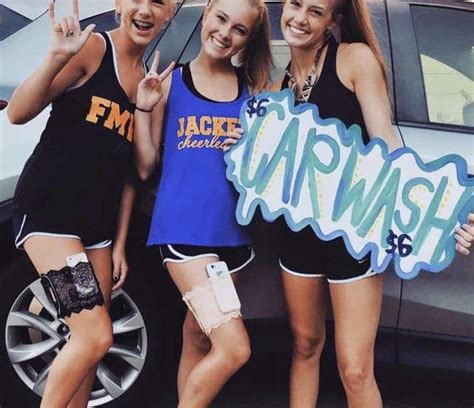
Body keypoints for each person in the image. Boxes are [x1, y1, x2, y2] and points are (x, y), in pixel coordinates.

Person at [226, 0, 474, 407]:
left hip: (355, 237)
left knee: (355, 369)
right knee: (305, 346)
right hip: (298, 239)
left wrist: (442, 216)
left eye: (315, 11)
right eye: (294, 5)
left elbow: (388, 148)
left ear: (333, 21)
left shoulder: (354, 60)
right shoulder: (277, 90)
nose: (299, 18)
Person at [6, 0, 175, 406]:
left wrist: (117, 244)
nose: (147, 9)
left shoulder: (147, 81)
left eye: (160, 2)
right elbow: (16, 112)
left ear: (170, 14)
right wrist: (55, 58)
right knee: (95, 334)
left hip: (96, 232)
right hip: (51, 220)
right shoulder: (94, 50)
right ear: (119, 4)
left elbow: (138, 172)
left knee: (89, 348)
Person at [133, 0, 273, 406]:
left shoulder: (254, 92)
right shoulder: (170, 82)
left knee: (197, 336)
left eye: (239, 29)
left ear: (248, 39)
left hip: (235, 240)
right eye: (221, 19)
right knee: (234, 348)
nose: (225, 33)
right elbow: (145, 167)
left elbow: (264, 175)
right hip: (185, 235)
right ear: (207, 14)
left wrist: (254, 150)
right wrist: (144, 107)